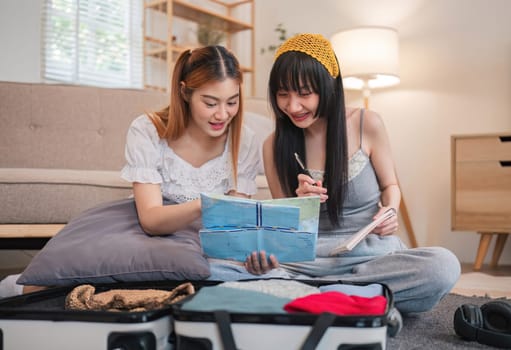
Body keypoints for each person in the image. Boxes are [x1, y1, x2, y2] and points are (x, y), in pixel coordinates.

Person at [0, 45, 260, 298]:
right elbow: (151, 221)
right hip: (152, 229)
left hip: (202, 240)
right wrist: (207, 205)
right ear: (184, 93)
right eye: (211, 103)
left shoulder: (244, 140)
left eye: (232, 102)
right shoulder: (148, 129)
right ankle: (20, 289)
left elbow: (233, 225)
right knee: (91, 268)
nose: (223, 115)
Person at [243, 33, 460, 314]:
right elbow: (285, 233)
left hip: (371, 255)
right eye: (283, 94)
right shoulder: (272, 146)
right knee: (223, 266)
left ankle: (317, 295)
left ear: (328, 86)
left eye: (304, 93)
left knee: (442, 265)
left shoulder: (366, 123)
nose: (293, 106)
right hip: (308, 261)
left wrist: (391, 210)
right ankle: (358, 297)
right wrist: (300, 204)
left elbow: (391, 184)